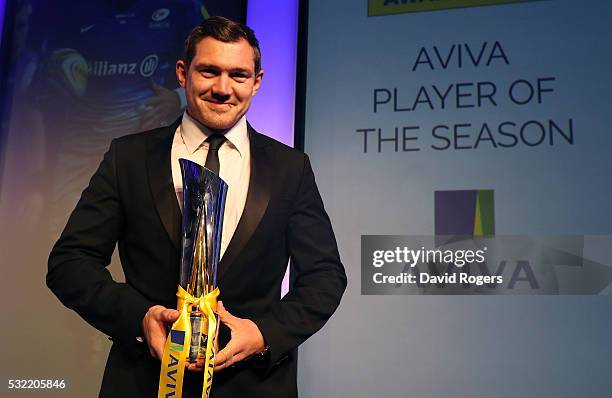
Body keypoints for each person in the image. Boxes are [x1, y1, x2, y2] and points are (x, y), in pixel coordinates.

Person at [47, 16, 346, 398]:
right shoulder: (129, 158)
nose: (223, 88)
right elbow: (70, 263)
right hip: (142, 381)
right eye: (209, 71)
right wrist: (140, 318)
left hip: (254, 386)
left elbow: (325, 277)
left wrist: (263, 334)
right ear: (183, 73)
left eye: (238, 75)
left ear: (257, 81)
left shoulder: (290, 168)